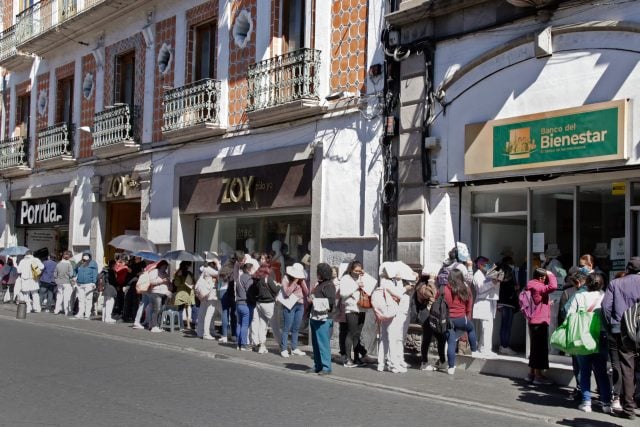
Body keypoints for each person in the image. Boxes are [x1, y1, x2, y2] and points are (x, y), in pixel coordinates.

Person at [565, 272, 612, 413]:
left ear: (587, 283)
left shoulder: (579, 296)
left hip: (582, 335)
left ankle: (586, 402)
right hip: (600, 335)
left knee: (584, 370)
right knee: (601, 370)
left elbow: (569, 315)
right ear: (602, 284)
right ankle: (606, 403)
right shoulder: (604, 296)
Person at [602, 257, 640, 420]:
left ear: (628, 268)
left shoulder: (616, 284)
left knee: (626, 368)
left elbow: (605, 308)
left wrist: (610, 327)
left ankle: (629, 408)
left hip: (622, 331)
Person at [525, 268, 557, 385]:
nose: (546, 280)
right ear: (541, 277)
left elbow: (537, 300)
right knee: (540, 349)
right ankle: (538, 376)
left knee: (534, 348)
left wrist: (547, 303)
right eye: (545, 278)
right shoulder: (538, 286)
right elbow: (553, 286)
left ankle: (531, 374)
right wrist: (550, 273)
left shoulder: (531, 285)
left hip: (534, 320)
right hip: (540, 321)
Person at [444, 268, 478, 375]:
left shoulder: (445, 288)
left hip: (449, 319)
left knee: (451, 341)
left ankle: (451, 367)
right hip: (461, 318)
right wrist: (467, 315)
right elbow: (469, 303)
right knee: (471, 328)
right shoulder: (465, 288)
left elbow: (439, 300)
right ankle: (474, 350)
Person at [338, 260, 370, 367]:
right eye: (356, 271)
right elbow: (343, 294)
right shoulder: (345, 279)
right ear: (351, 269)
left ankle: (357, 358)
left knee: (357, 334)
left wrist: (365, 276)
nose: (357, 272)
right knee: (351, 333)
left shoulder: (361, 277)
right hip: (351, 309)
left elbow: (370, 287)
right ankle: (347, 358)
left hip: (362, 308)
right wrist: (356, 286)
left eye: (359, 271)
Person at [308, 262, 336, 375]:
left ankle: (326, 367)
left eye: (318, 272)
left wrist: (313, 300)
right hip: (315, 316)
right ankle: (317, 365)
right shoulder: (320, 284)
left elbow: (331, 301)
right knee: (315, 343)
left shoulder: (329, 285)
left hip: (324, 318)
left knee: (323, 344)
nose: (317, 274)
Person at [472, 256, 500, 357]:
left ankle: (482, 347)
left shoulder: (486, 274)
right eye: (485, 264)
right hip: (483, 302)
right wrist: (493, 283)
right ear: (479, 265)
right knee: (486, 327)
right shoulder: (477, 275)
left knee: (488, 327)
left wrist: (496, 281)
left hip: (490, 302)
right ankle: (485, 349)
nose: (486, 266)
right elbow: (480, 289)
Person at [415, 275, 444, 371]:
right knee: (427, 339)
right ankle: (424, 363)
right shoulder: (421, 286)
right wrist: (431, 280)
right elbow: (429, 293)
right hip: (426, 316)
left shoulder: (427, 285)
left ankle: (442, 361)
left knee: (440, 337)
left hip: (432, 316)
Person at [250, 262, 279, 353]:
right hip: (268, 304)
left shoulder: (256, 279)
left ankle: (262, 346)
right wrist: (278, 285)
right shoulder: (267, 279)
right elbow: (275, 290)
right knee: (275, 325)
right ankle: (282, 345)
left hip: (259, 303)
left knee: (262, 325)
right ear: (267, 269)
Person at [496, 256, 520, 355]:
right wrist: (515, 287)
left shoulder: (502, 270)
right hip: (507, 302)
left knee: (504, 325)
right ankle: (504, 346)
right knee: (507, 325)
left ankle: (503, 346)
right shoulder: (507, 271)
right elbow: (503, 284)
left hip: (503, 301)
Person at [236, 257, 258, 350]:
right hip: (246, 304)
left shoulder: (239, 277)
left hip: (239, 303)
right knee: (245, 325)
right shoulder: (248, 278)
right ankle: (244, 345)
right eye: (252, 268)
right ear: (249, 269)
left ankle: (239, 344)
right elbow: (250, 291)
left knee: (239, 324)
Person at [195, 257, 219, 339]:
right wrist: (218, 264)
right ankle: (206, 333)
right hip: (210, 294)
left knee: (202, 313)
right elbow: (220, 273)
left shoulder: (203, 269)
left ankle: (200, 332)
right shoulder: (209, 269)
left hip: (204, 294)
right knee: (209, 314)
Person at [148, 260, 172, 333]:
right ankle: (154, 326)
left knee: (161, 310)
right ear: (160, 265)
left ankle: (157, 325)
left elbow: (168, 283)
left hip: (164, 293)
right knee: (156, 310)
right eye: (164, 266)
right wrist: (162, 281)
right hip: (156, 292)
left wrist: (169, 284)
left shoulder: (166, 273)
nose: (165, 268)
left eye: (166, 267)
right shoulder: (154, 271)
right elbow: (151, 281)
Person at [74, 253, 99, 319]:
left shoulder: (93, 263)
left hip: (89, 283)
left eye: (87, 255)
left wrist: (94, 282)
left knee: (88, 298)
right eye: (84, 255)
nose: (85, 256)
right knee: (81, 299)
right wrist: (74, 277)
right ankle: (80, 312)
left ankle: (87, 313)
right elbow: (75, 270)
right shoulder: (80, 262)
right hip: (80, 283)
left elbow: (95, 273)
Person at [217, 257, 236, 343]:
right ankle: (234, 335)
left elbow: (219, 279)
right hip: (232, 291)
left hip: (223, 291)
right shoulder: (235, 269)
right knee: (233, 314)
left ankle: (224, 335)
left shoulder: (223, 269)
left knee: (225, 313)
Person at [173, 261, 195, 331]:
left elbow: (176, 284)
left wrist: (177, 275)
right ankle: (192, 324)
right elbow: (194, 282)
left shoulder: (178, 274)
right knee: (193, 308)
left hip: (181, 293)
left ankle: (181, 326)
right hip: (189, 293)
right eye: (188, 266)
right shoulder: (189, 274)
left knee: (180, 310)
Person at [53, 251, 74, 315]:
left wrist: (57, 279)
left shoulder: (58, 264)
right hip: (67, 282)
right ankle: (66, 311)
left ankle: (56, 310)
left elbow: (55, 274)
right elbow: (71, 274)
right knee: (66, 297)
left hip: (59, 282)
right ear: (68, 258)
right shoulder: (69, 264)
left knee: (59, 296)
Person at [100, 260, 118, 324]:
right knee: (110, 303)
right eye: (115, 264)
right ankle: (108, 318)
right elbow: (113, 281)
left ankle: (103, 317)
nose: (116, 265)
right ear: (113, 265)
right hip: (110, 288)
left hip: (105, 287)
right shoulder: (111, 271)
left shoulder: (105, 270)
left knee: (105, 303)